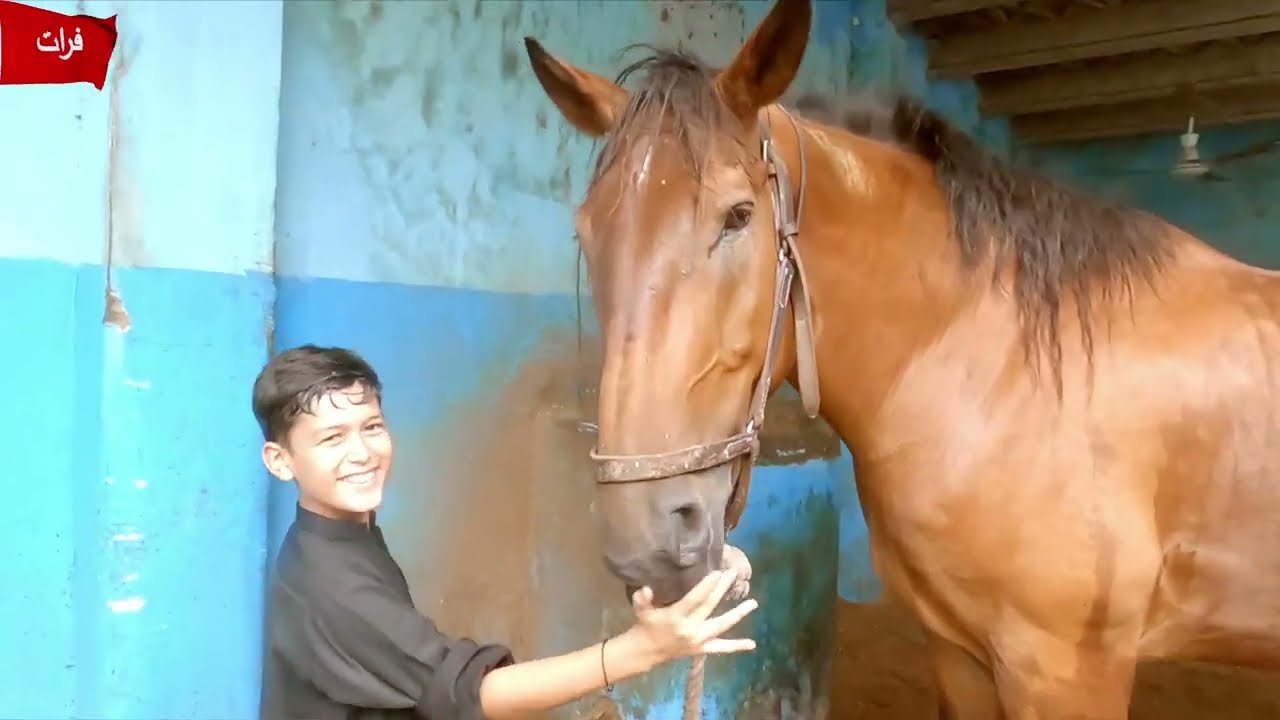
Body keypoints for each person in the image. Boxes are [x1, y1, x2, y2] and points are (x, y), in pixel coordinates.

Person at [254, 344, 758, 720]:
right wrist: (641, 650)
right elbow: (476, 694)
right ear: (281, 461)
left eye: (372, 427)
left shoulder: (337, 539)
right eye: (332, 438)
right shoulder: (332, 584)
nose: (362, 453)